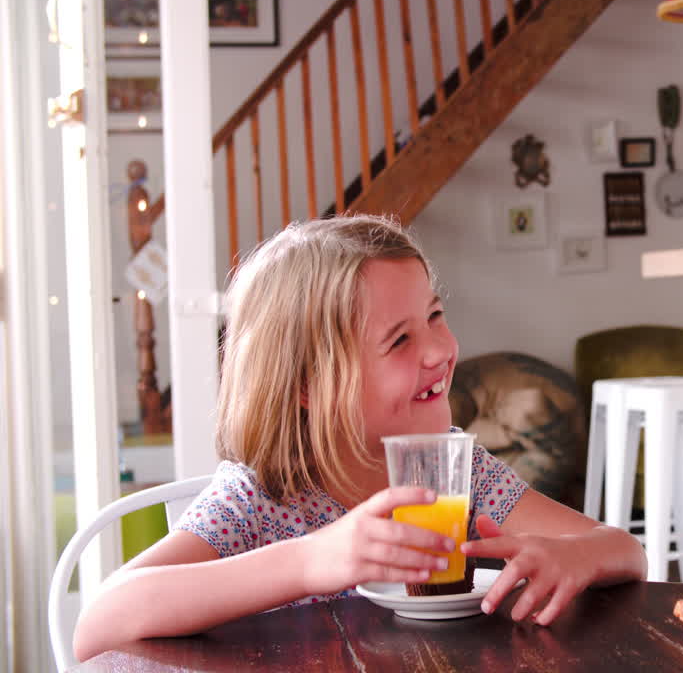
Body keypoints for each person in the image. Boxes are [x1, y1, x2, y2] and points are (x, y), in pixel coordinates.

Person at [74, 215, 645, 661]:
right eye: (399, 341)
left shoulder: (456, 473)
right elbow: (98, 625)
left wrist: (574, 556)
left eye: (436, 314)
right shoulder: (263, 495)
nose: (440, 349)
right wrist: (309, 561)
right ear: (306, 386)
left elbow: (626, 552)